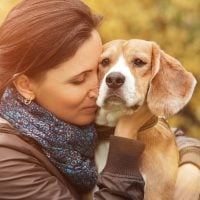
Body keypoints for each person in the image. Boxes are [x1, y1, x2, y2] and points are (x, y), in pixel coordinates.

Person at [0, 0, 199, 199]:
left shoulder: (78, 121)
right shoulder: (7, 160)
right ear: (26, 86)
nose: (97, 88)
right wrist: (125, 137)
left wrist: (192, 165)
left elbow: (168, 133)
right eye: (78, 80)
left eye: (97, 71)